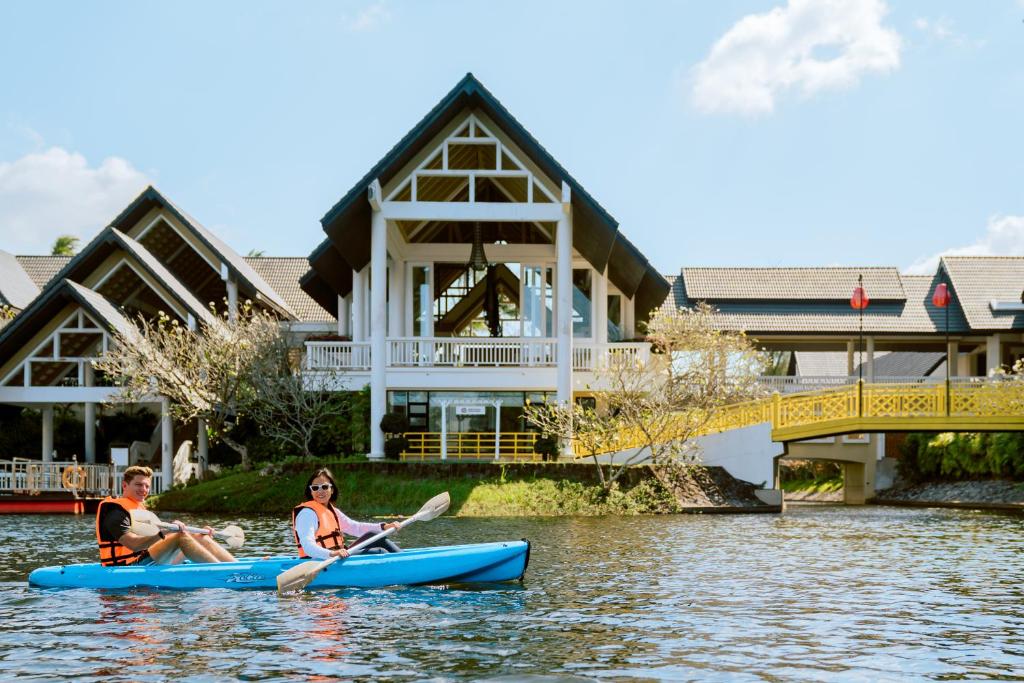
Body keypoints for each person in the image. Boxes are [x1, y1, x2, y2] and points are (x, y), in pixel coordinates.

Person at [95, 465, 236, 566]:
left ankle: (235, 568)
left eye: (147, 486)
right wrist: (164, 533)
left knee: (199, 537)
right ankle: (224, 574)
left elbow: (155, 538)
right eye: (138, 485)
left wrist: (190, 532)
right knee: (180, 537)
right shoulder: (115, 512)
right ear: (125, 486)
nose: (144, 490)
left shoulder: (139, 508)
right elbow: (133, 545)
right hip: (127, 566)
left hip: (147, 560)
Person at [292, 467, 401, 560]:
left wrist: (384, 527)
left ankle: (404, 559)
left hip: (338, 555)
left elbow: (355, 527)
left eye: (324, 487)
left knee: (374, 535)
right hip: (320, 560)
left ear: (332, 489)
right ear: (311, 491)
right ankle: (405, 568)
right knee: (380, 552)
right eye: (315, 488)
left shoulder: (332, 511)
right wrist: (331, 553)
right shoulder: (307, 513)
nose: (320, 491)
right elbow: (307, 546)